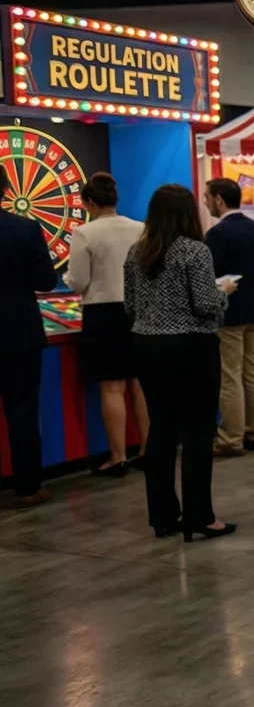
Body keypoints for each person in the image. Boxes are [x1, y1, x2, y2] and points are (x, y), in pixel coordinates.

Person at [123, 184, 236, 541]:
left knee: (161, 430)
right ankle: (199, 516)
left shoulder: (136, 251)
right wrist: (223, 294)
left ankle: (163, 516)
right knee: (198, 432)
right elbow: (204, 304)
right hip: (191, 347)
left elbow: (129, 305)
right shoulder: (194, 251)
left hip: (146, 346)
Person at [63, 172, 149, 477]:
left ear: (88, 203)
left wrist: (67, 279)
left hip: (102, 313)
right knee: (140, 384)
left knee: (112, 388)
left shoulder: (85, 233)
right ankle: (148, 451)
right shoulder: (139, 228)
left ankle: (117, 457)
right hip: (137, 311)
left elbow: (79, 281)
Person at [0, 167, 60, 508]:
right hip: (18, 333)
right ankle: (28, 487)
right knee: (22, 412)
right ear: (7, 189)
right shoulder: (24, 229)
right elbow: (47, 281)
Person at [203, 178, 254, 457]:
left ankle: (231, 438)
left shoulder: (217, 235)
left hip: (228, 312)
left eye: (207, 197)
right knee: (252, 370)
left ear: (219, 199)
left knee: (229, 375)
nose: (205, 202)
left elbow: (209, 276)